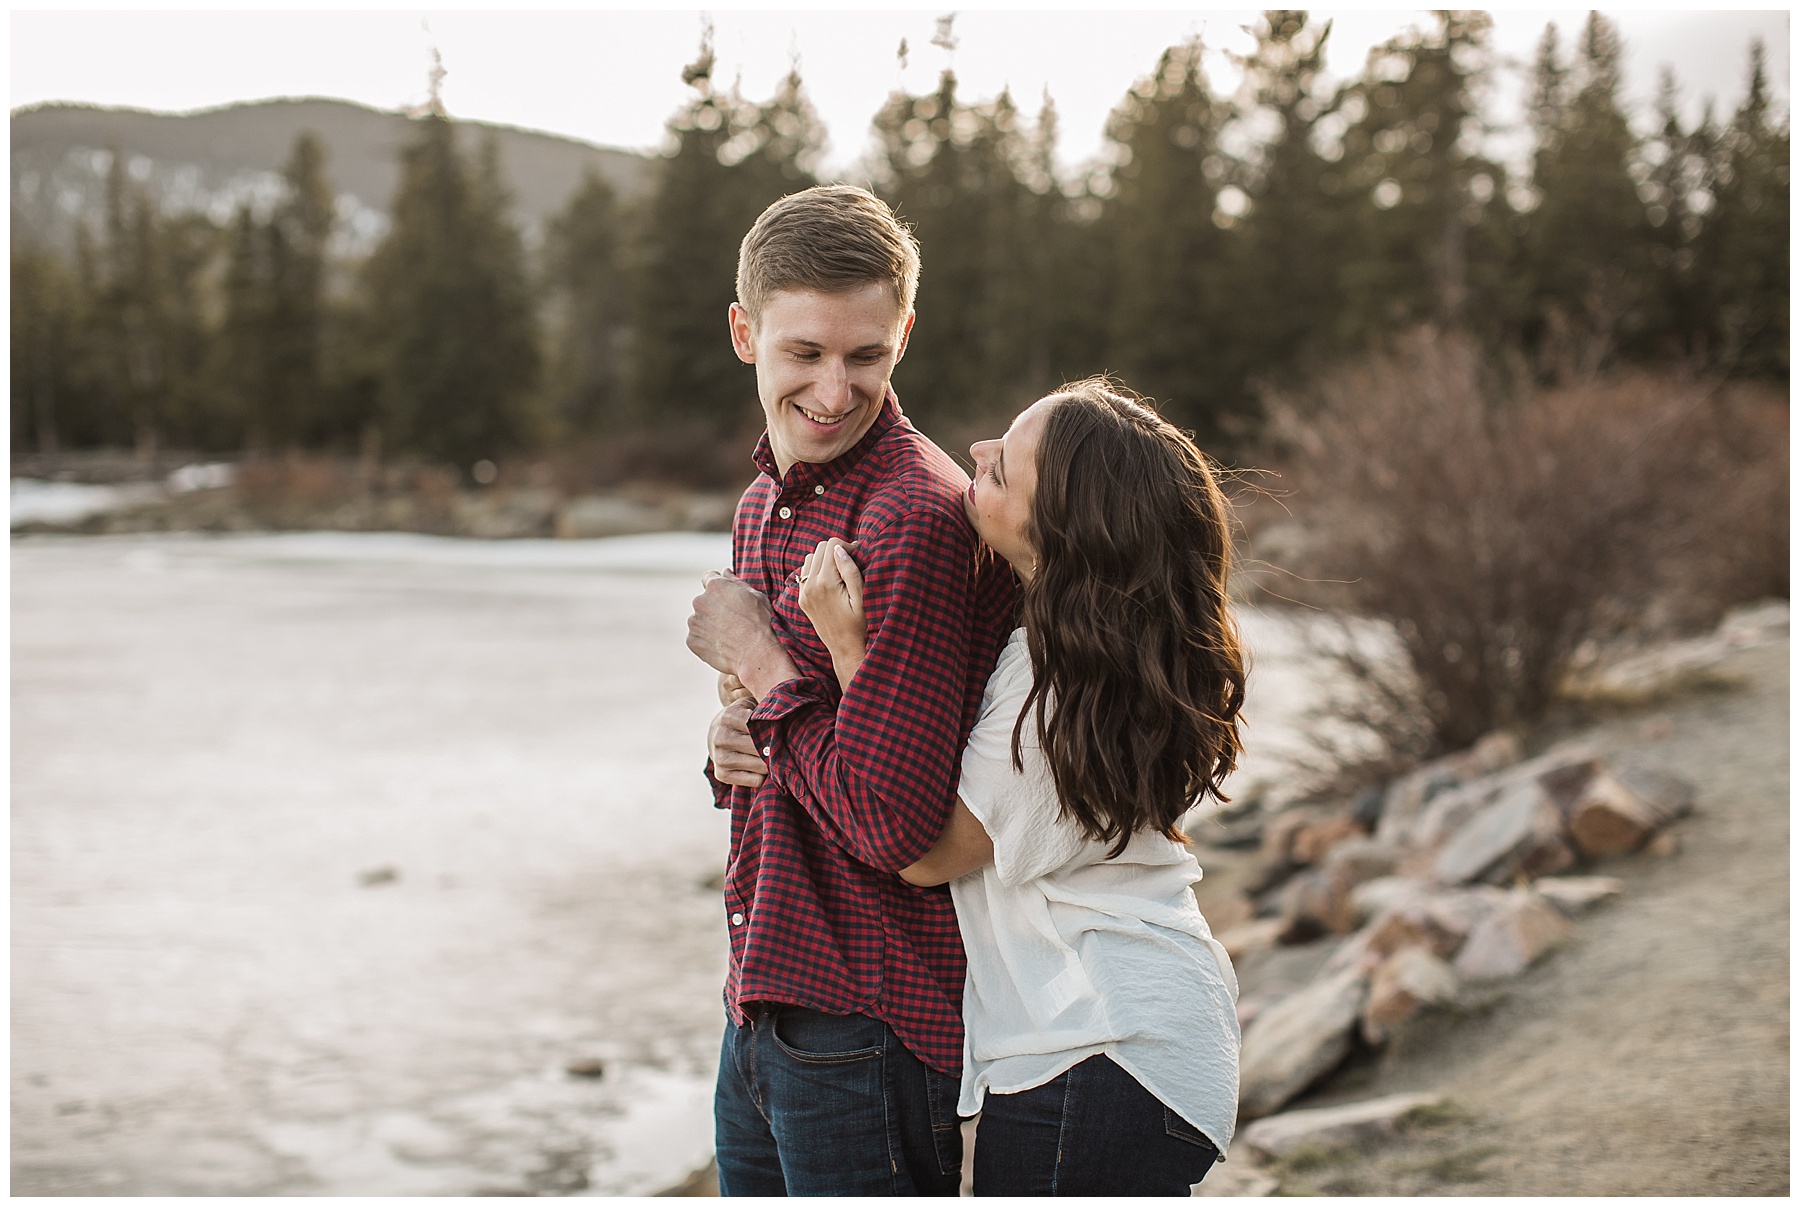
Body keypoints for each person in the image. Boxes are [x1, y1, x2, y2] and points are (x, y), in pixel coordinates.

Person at [794, 378, 1246, 1196]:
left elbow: (922, 853)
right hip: (1137, 1043)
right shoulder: (1097, 659)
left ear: (1062, 531)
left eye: (1003, 467)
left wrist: (845, 650)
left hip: (1100, 1045)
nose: (975, 452)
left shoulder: (1056, 689)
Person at [683, 184, 1017, 1195]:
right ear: (746, 333)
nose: (834, 390)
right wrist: (733, 741)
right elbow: (794, 742)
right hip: (763, 994)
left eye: (865, 355)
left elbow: (893, 823)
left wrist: (761, 667)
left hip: (867, 1020)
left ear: (904, 334)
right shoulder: (761, 505)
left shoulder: (914, 516)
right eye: (805, 353)